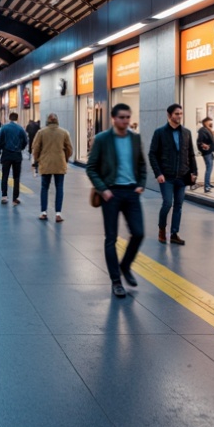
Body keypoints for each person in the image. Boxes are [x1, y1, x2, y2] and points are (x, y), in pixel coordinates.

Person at [87, 103, 147, 298]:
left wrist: (141, 184)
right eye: (122, 117)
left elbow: (142, 165)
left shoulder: (135, 138)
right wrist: (103, 189)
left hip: (131, 192)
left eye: (128, 117)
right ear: (113, 118)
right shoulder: (103, 139)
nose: (126, 121)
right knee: (111, 238)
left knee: (138, 233)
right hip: (111, 194)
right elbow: (91, 167)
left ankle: (125, 265)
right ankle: (116, 281)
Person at [148, 103, 197, 245]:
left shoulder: (186, 133)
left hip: (182, 176)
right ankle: (162, 229)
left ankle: (174, 233)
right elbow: (152, 154)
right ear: (169, 115)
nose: (179, 116)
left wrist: (194, 171)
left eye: (181, 113)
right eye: (177, 114)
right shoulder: (160, 133)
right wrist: (158, 173)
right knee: (168, 203)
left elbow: (191, 154)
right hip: (166, 176)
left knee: (179, 205)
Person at [31, 113, 73, 221]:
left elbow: (35, 148)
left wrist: (37, 160)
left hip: (45, 163)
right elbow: (70, 149)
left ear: (47, 121)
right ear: (57, 121)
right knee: (59, 188)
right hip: (60, 164)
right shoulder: (64, 133)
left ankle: (43, 212)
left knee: (44, 187)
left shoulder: (41, 132)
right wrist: (65, 158)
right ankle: (58, 214)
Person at [0, 111, 28, 205]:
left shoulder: (4, 128)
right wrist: (20, 148)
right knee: (16, 177)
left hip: (6, 154)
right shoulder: (21, 129)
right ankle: (15, 198)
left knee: (5, 175)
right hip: (17, 155)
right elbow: (25, 141)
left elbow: (0, 140)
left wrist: (1, 147)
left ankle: (4, 196)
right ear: (17, 118)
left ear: (9, 118)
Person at [196, 115, 214, 193]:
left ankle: (208, 183)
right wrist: (203, 145)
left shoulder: (207, 130)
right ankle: (207, 186)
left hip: (210, 151)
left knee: (210, 168)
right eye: (209, 122)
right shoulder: (202, 130)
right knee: (209, 168)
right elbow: (199, 141)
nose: (211, 123)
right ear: (205, 122)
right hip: (207, 152)